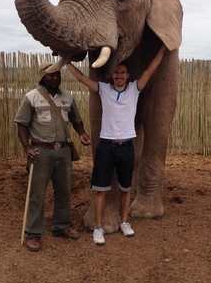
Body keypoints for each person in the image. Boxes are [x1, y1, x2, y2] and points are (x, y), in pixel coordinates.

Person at [66, 43, 167, 246]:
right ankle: (99, 227)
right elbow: (82, 78)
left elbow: (150, 70)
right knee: (101, 189)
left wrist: (162, 49)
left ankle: (124, 221)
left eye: (122, 73)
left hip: (126, 146)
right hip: (106, 146)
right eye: (116, 73)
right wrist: (66, 62)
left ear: (128, 75)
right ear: (112, 75)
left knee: (125, 187)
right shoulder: (103, 89)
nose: (119, 76)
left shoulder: (134, 89)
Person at [14, 62, 91, 252]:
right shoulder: (31, 97)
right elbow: (22, 125)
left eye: (58, 75)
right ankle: (33, 233)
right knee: (37, 194)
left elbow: (76, 119)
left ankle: (61, 227)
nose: (56, 78)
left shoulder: (67, 97)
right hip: (40, 152)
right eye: (51, 75)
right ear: (43, 77)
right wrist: (27, 148)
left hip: (63, 151)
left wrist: (81, 133)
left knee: (64, 191)